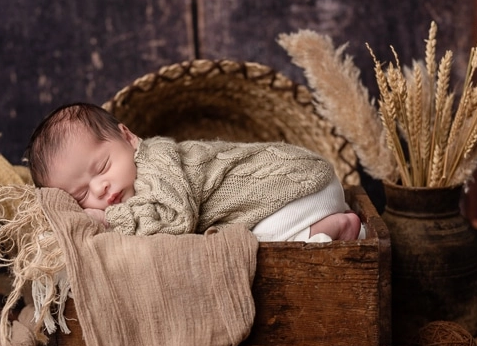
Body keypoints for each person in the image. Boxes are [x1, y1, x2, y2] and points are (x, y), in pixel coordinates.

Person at [23, 102, 364, 242]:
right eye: (81, 196)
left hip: (297, 187)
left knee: (244, 248)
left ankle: (327, 229)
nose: (100, 189)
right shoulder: (132, 182)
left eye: (102, 167)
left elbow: (174, 219)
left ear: (128, 138)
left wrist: (109, 222)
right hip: (297, 192)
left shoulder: (155, 160)